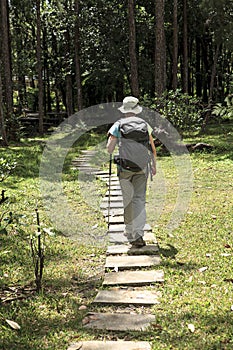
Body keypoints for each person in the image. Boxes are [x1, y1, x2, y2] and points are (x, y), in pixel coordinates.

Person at [107, 96, 156, 248]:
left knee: (128, 199)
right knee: (139, 199)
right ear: (136, 110)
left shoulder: (118, 125)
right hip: (142, 168)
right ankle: (139, 234)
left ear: (124, 110)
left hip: (125, 169)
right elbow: (152, 148)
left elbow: (109, 148)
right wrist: (154, 165)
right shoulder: (144, 124)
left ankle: (129, 231)